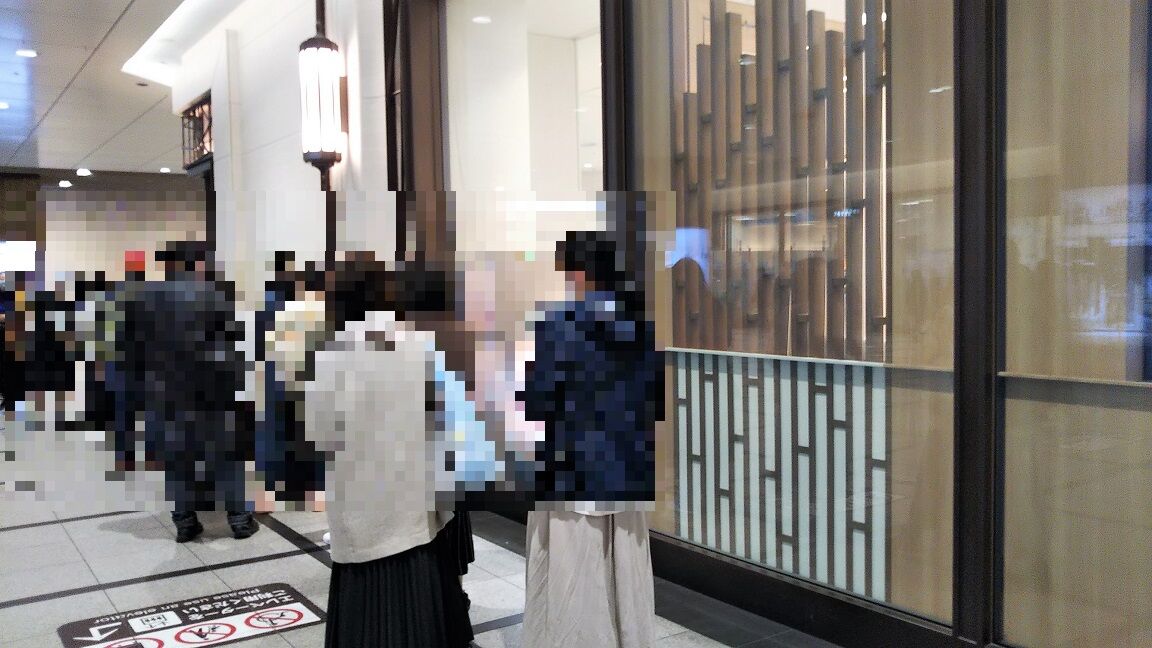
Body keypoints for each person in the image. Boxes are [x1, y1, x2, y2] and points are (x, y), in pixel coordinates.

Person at [305, 258, 472, 648]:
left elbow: (319, 435)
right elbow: (444, 418)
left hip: (360, 504)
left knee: (365, 596)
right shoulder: (416, 345)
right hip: (412, 500)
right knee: (419, 588)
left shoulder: (330, 356)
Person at [518, 230, 664, 648]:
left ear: (581, 271)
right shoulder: (639, 324)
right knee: (625, 569)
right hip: (626, 466)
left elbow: (540, 400)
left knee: (572, 572)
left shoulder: (559, 323)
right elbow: (652, 402)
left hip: (572, 465)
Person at [117, 241, 258, 543]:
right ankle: (240, 520)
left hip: (166, 394)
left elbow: (129, 354)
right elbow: (235, 344)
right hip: (214, 393)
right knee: (227, 456)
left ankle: (185, 522)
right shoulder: (214, 295)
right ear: (197, 263)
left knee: (177, 461)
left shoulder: (141, 299)